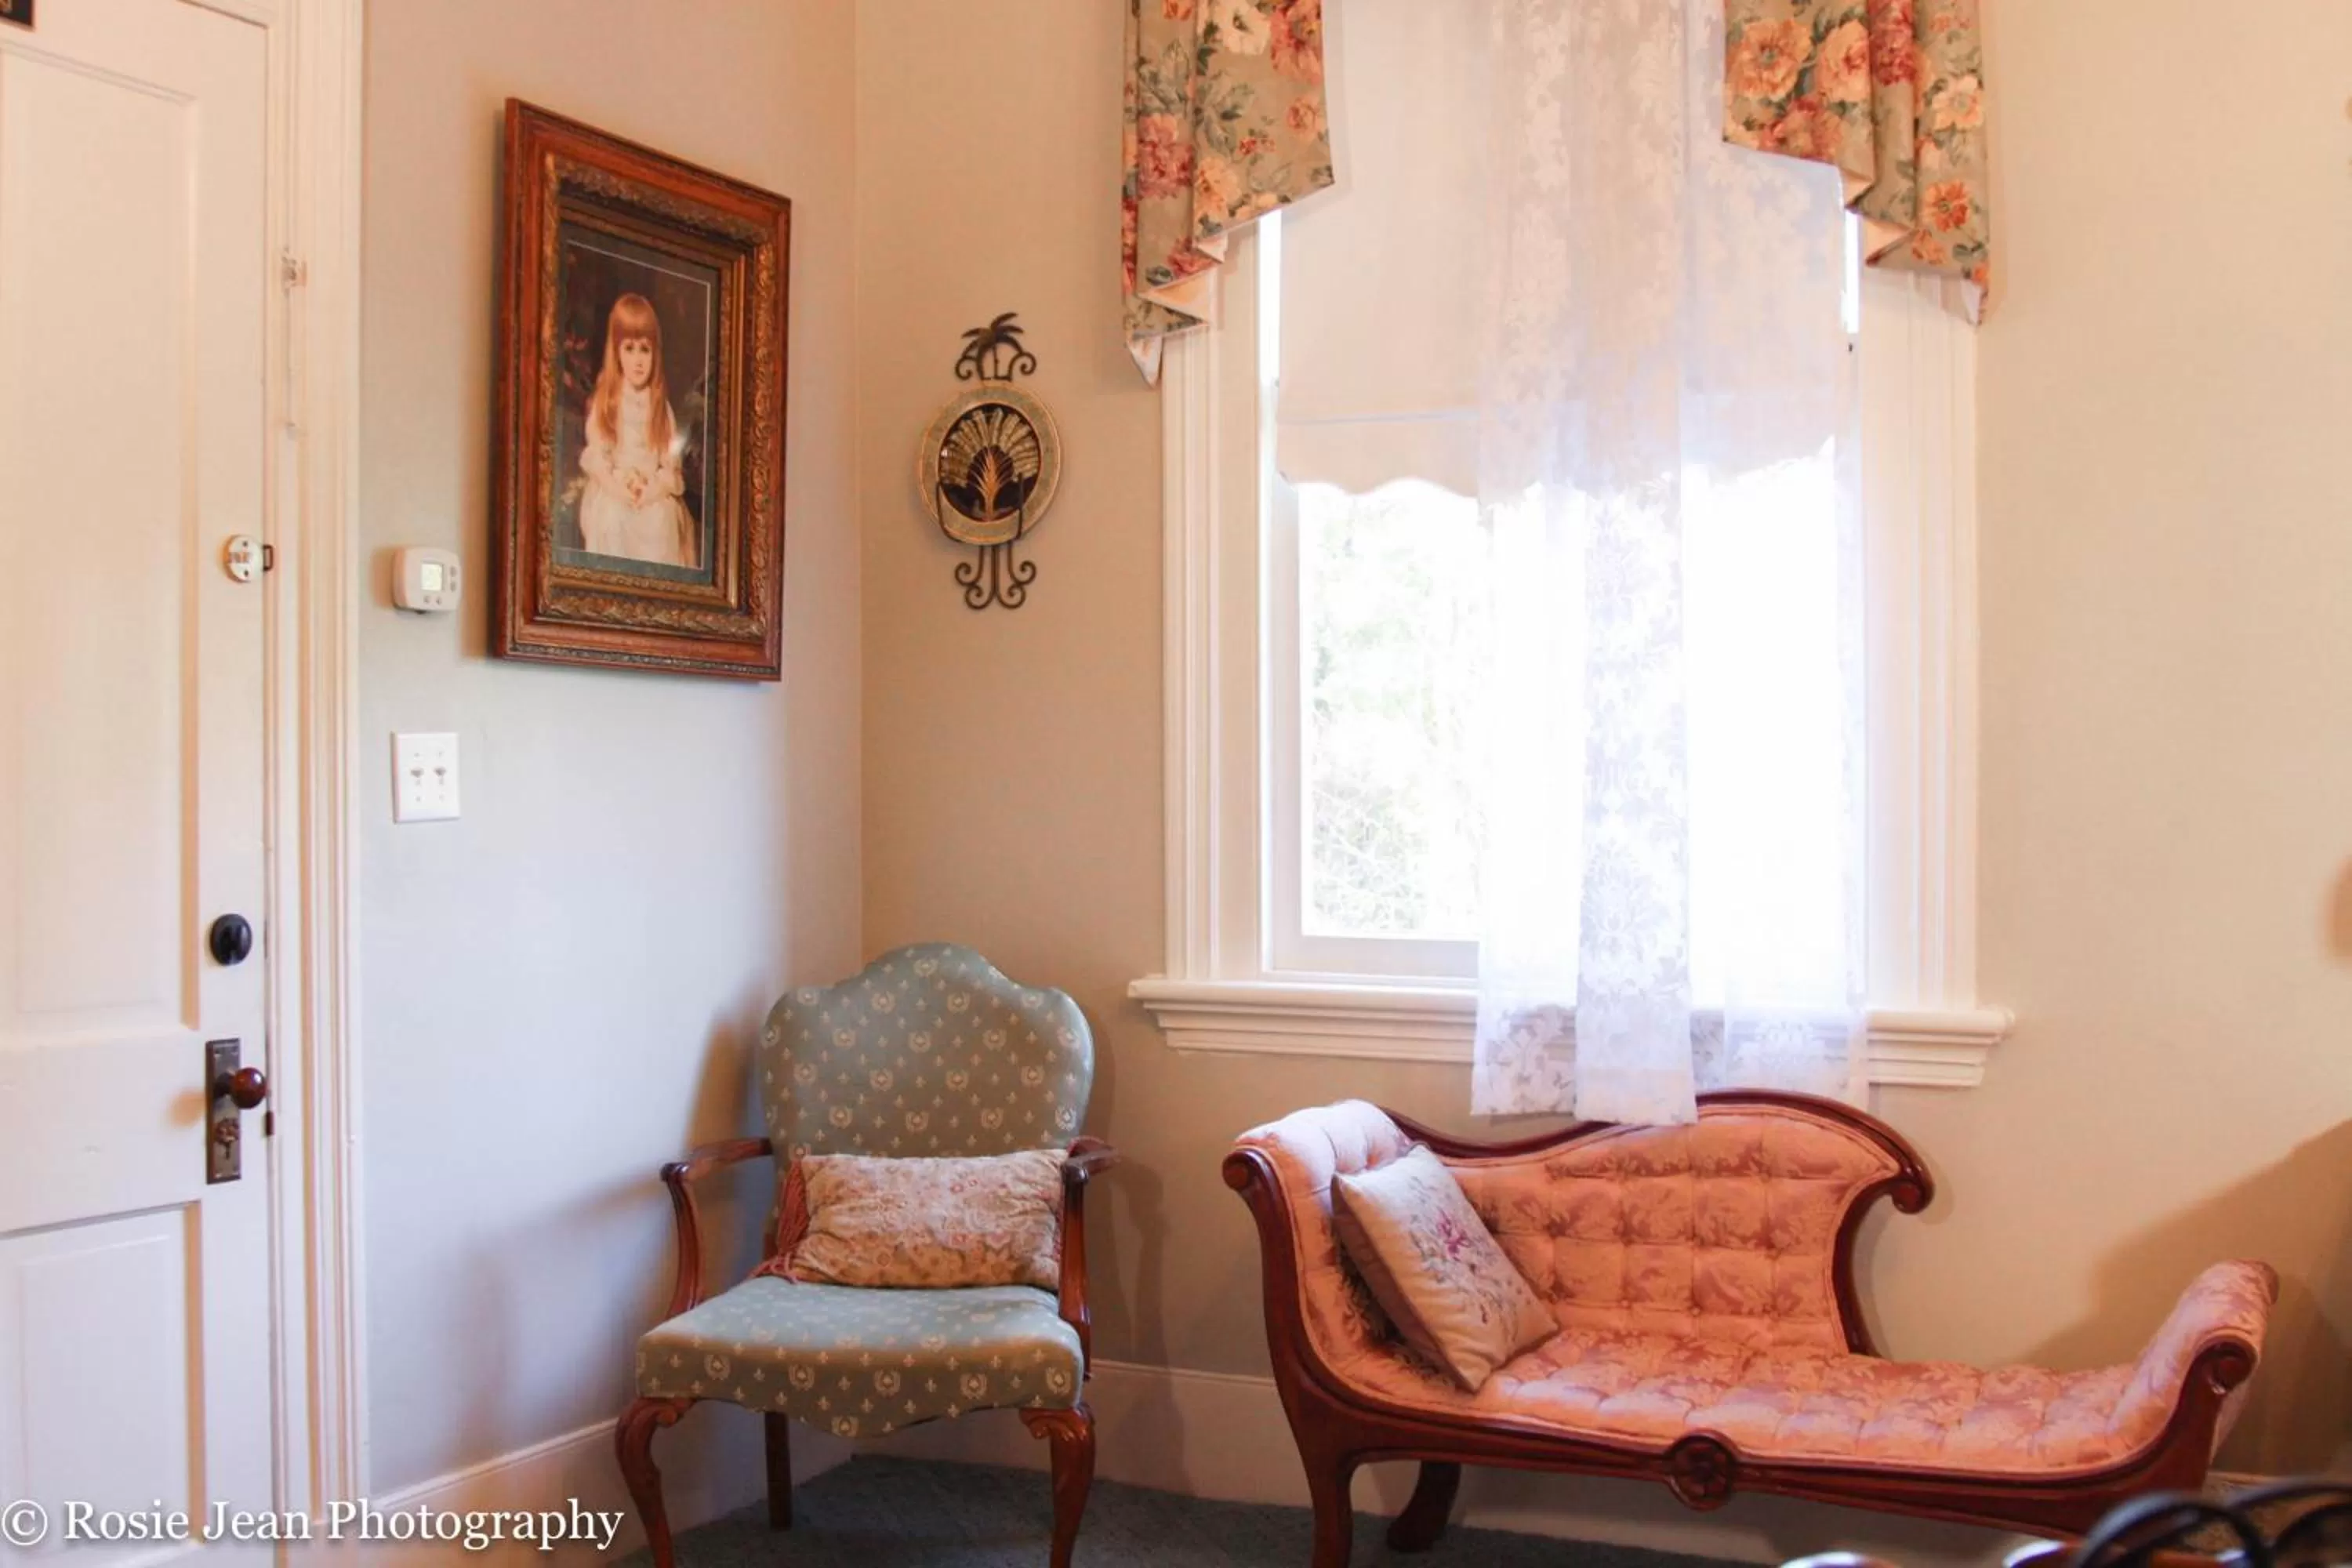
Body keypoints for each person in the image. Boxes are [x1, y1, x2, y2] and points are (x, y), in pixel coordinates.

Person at [578, 292, 697, 568]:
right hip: (617, 485)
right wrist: (620, 486)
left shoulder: (659, 408)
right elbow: (599, 457)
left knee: (663, 518)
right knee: (611, 515)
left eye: (645, 349)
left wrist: (651, 489)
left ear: (656, 352)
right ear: (616, 352)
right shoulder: (607, 403)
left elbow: (669, 466)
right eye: (629, 349)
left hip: (650, 490)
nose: (638, 360)